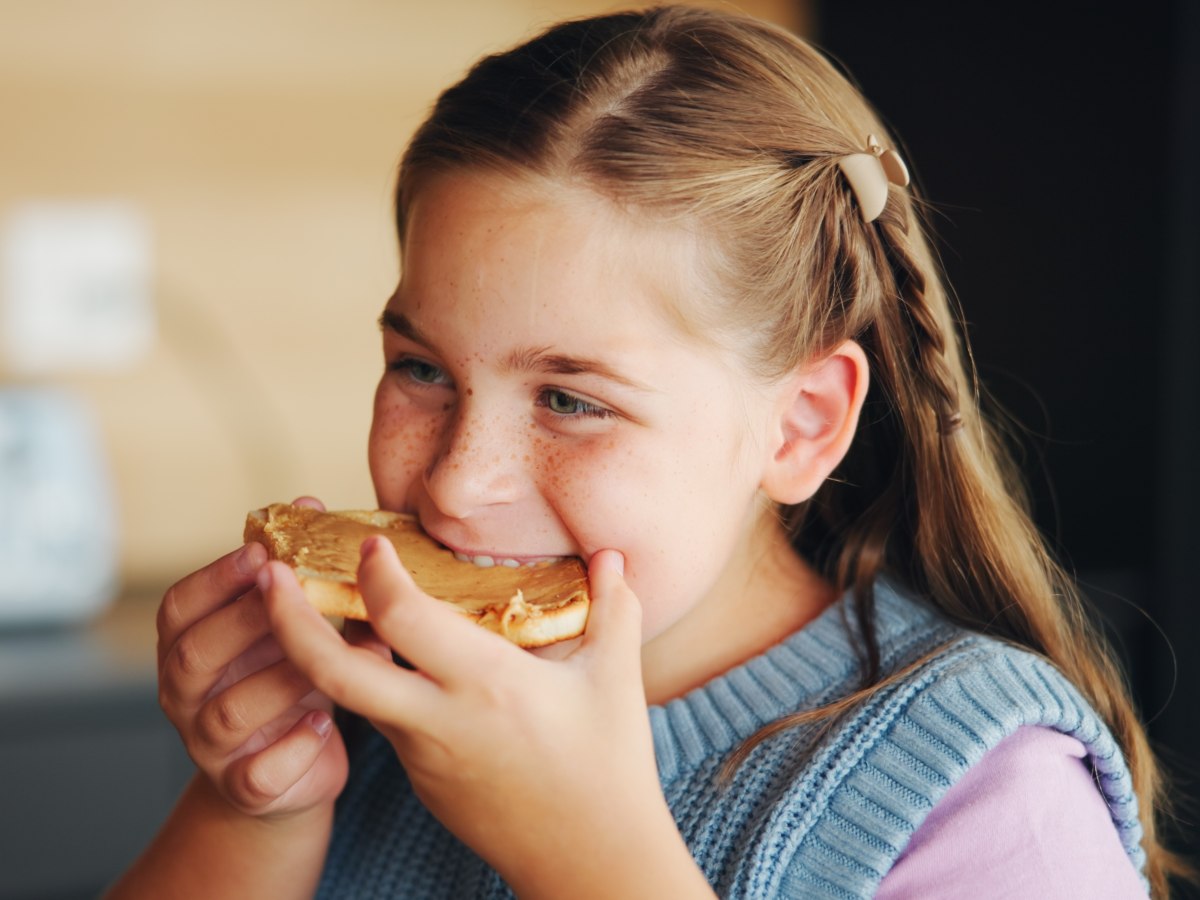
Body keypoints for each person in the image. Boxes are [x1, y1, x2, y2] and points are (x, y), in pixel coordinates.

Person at [107, 6, 1186, 898]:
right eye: (423, 369)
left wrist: (587, 857)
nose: (454, 484)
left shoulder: (989, 792)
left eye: (572, 400)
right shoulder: (368, 691)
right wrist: (254, 804)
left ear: (801, 423)